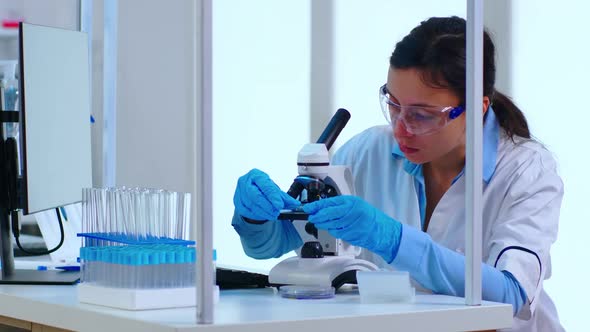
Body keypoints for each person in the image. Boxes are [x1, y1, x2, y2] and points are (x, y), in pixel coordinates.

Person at [231, 16, 563, 332]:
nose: (401, 129)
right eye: (393, 104)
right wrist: (256, 218)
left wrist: (394, 240)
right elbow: (280, 243)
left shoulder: (527, 170)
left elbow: (511, 294)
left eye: (421, 114)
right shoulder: (367, 151)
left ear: (478, 109)